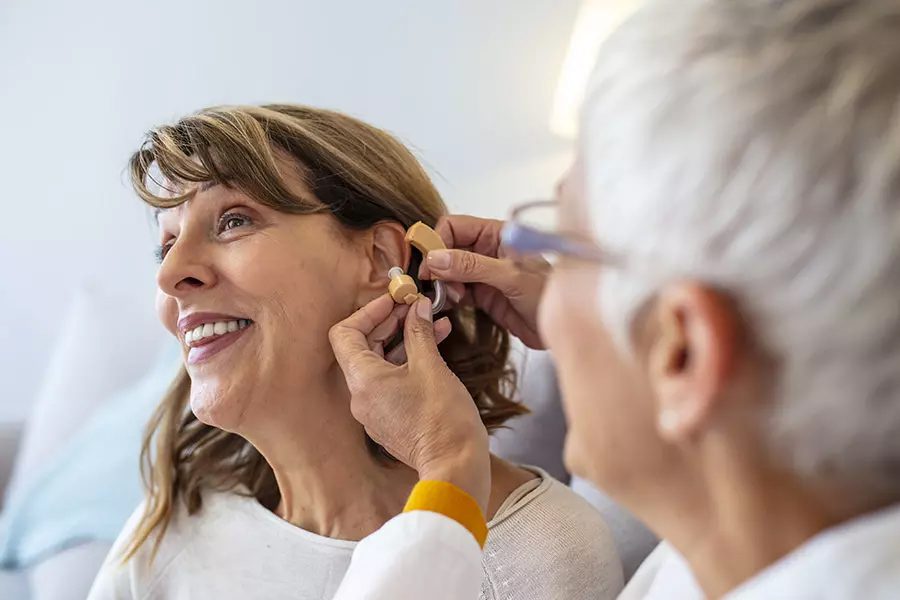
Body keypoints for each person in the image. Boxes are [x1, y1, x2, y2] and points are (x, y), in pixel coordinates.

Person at [327, 0, 900, 598]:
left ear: (681, 353)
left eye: (566, 247)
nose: (542, 293)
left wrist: (446, 470)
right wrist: (614, 344)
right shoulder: (735, 543)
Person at [86, 104, 623, 599]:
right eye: (166, 244)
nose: (170, 274)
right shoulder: (168, 530)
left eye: (233, 220)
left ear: (380, 259)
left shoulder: (537, 554)